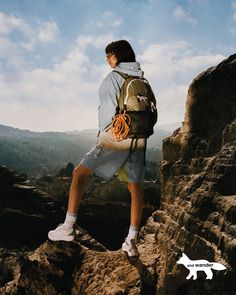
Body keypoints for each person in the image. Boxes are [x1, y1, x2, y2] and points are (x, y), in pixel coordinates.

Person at [48, 40, 150, 257]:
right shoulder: (140, 79)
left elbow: (106, 115)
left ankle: (67, 228)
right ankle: (131, 242)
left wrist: (102, 139)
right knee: (135, 188)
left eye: (108, 57)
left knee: (79, 173)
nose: (107, 61)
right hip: (139, 138)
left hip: (117, 137)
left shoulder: (112, 79)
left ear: (116, 56)